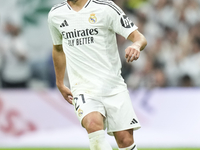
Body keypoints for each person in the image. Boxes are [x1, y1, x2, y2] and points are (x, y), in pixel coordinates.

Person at [48, 0, 147, 150]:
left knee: (125, 141)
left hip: (113, 87)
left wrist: (136, 45)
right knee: (93, 125)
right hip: (82, 88)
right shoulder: (56, 14)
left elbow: (139, 37)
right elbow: (58, 49)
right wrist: (60, 83)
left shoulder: (105, 8)